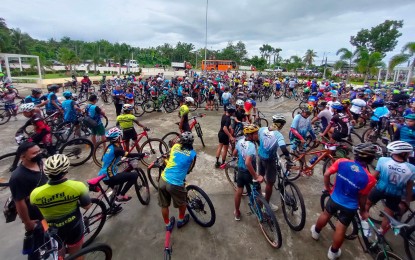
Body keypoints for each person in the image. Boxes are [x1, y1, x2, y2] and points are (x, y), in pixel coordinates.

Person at [310, 143, 378, 260]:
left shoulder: (341, 161)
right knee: (341, 228)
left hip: (335, 197)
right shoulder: (370, 179)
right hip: (350, 206)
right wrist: (363, 211)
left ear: (356, 154)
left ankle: (315, 232)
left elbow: (327, 174)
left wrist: (327, 188)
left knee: (326, 214)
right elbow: (362, 198)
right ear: (371, 159)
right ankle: (333, 252)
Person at [30, 154, 91, 258]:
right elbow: (87, 206)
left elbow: (35, 214)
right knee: (76, 254)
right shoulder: (78, 186)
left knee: (58, 253)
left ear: (45, 172)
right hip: (74, 227)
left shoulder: (35, 194)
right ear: (66, 170)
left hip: (52, 230)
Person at [365, 141, 415, 234]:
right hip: (395, 195)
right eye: (408, 153)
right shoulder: (412, 168)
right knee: (388, 216)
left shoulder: (383, 160)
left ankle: (364, 224)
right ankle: (380, 235)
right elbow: (409, 187)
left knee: (367, 204)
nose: (409, 155)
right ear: (403, 153)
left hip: (379, 189)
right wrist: (407, 201)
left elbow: (373, 177)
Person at [9, 142, 48, 260]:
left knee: (48, 236)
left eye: (39, 151)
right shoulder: (18, 177)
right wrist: (28, 222)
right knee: (37, 244)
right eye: (34, 153)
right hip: (37, 217)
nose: (39, 154)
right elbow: (19, 203)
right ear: (23, 157)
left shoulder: (39, 162)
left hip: (46, 212)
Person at [158, 132, 197, 230]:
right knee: (182, 203)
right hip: (175, 184)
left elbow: (172, 147)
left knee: (164, 205)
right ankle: (180, 220)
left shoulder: (175, 147)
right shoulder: (192, 154)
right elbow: (190, 167)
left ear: (181, 141)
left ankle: (168, 225)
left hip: (163, 179)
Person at [258, 115, 292, 210]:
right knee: (270, 183)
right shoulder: (278, 135)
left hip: (260, 156)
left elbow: (258, 139)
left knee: (260, 177)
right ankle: (266, 205)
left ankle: (258, 195)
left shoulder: (262, 129)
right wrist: (288, 157)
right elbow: (283, 148)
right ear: (280, 125)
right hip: (270, 160)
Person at [98, 127, 140, 203]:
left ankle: (113, 205)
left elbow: (106, 159)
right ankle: (121, 196)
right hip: (110, 176)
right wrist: (142, 154)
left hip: (105, 174)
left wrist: (117, 162)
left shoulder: (109, 147)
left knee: (121, 178)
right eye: (120, 136)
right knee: (134, 175)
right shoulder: (117, 149)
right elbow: (129, 155)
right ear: (117, 138)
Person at [233, 124, 263, 221]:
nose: (257, 135)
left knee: (239, 191)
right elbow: (248, 162)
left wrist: (239, 156)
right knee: (258, 191)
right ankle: (261, 212)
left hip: (240, 171)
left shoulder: (240, 141)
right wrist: (256, 176)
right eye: (256, 134)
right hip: (249, 173)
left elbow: (234, 153)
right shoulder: (251, 146)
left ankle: (237, 212)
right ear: (250, 135)